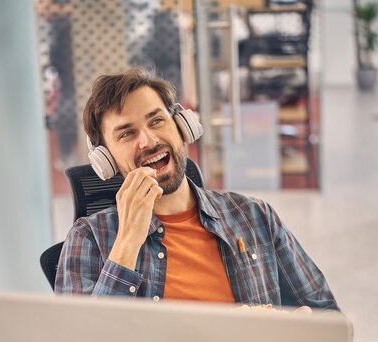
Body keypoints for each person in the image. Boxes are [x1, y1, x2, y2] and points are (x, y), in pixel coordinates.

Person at [55, 67, 338, 310]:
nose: (149, 141)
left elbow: (326, 314)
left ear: (183, 127)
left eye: (157, 120)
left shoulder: (254, 216)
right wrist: (127, 242)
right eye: (127, 133)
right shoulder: (88, 239)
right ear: (106, 160)